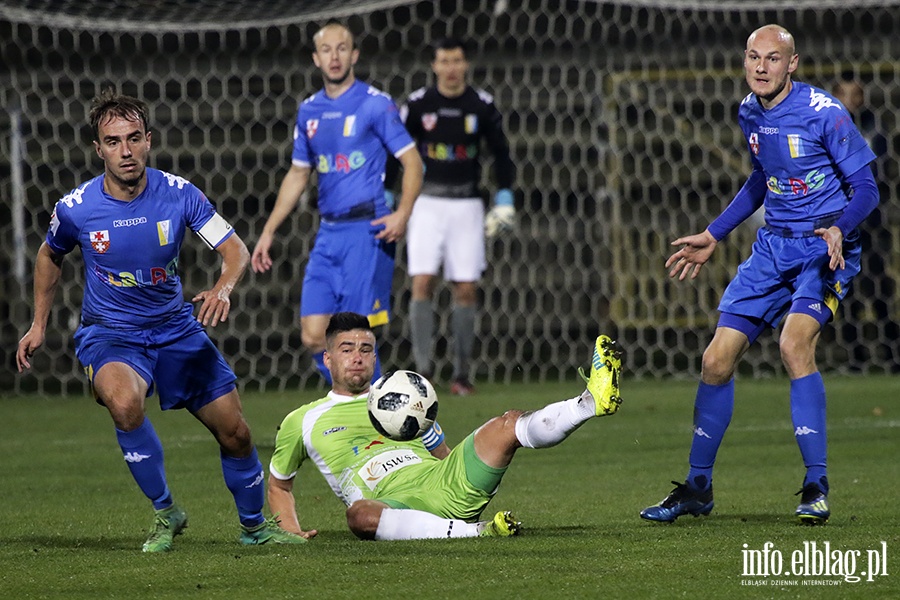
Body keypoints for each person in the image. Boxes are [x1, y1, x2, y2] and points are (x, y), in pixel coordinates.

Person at [15, 89, 306, 551]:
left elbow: (234, 250)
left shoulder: (179, 194)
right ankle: (166, 511)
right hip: (111, 334)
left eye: (133, 138)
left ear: (148, 140)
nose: (125, 151)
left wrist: (222, 287)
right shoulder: (76, 208)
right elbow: (50, 256)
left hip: (176, 330)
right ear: (98, 148)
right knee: (124, 403)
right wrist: (38, 324)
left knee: (236, 432)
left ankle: (254, 528)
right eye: (113, 141)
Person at [640, 25, 879, 526]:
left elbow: (866, 188)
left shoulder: (825, 113)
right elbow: (760, 179)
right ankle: (697, 487)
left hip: (822, 248)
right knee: (715, 361)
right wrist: (714, 234)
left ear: (792, 64)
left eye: (772, 58)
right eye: (753, 57)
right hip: (772, 248)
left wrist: (837, 228)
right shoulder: (749, 110)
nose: (761, 67)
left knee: (794, 346)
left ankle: (816, 485)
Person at [266, 312, 622, 541]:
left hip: (442, 480)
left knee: (507, 424)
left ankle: (588, 403)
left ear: (375, 356)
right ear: (327, 358)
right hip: (391, 502)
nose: (357, 357)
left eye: (365, 349)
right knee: (359, 516)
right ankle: (476, 532)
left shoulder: (403, 394)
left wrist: (456, 462)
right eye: (346, 349)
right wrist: (290, 530)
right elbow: (279, 485)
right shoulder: (304, 420)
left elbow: (444, 454)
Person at [251, 22, 424, 385]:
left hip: (367, 229)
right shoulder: (309, 111)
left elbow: (413, 162)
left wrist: (403, 215)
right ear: (316, 58)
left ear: (354, 55)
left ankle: (376, 422)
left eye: (342, 48)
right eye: (327, 50)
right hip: (328, 232)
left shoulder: (375, 104)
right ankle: (365, 408)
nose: (334, 56)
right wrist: (268, 231)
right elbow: (298, 174)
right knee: (314, 335)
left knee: (354, 341)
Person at [386, 37, 516, 396]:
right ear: (434, 65)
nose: (451, 68)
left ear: (466, 64)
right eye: (444, 60)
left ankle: (461, 374)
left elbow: (501, 154)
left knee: (466, 287)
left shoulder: (482, 105)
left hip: (468, 206)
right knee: (422, 282)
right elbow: (395, 151)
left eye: (457, 60)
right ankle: (423, 374)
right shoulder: (417, 105)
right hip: (426, 204)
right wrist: (388, 192)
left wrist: (504, 196)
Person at [832, 78, 899, 372]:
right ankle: (855, 358)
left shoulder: (872, 129)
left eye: (855, 93)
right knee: (845, 291)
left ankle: (892, 355)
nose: (851, 99)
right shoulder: (828, 126)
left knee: (879, 288)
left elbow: (881, 170)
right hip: (839, 222)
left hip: (870, 222)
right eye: (845, 93)